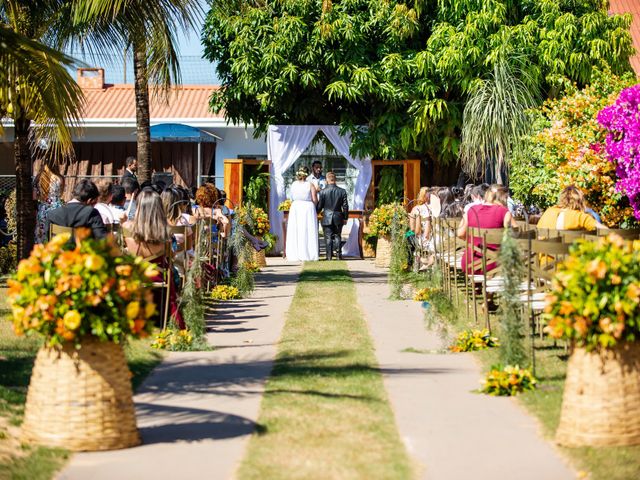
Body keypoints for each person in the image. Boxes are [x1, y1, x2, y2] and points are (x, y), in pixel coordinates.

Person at [122, 189, 185, 329]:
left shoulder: (126, 227)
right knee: (172, 272)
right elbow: (171, 256)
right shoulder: (165, 231)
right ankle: (168, 320)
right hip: (159, 276)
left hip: (136, 276)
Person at [457, 185, 516, 273]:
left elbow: (460, 234)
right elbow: (517, 236)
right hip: (493, 265)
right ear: (504, 197)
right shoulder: (504, 212)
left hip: (469, 264)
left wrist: (475, 242)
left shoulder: (471, 210)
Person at [537, 185, 607, 231]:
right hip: (571, 253)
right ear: (580, 201)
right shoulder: (580, 217)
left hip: (545, 252)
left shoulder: (549, 211)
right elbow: (605, 231)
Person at [286, 166, 319, 261]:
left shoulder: (293, 184)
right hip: (307, 208)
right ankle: (308, 254)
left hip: (296, 207)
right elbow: (314, 199)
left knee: (296, 229)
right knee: (307, 229)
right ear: (307, 174)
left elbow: (291, 198)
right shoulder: (310, 185)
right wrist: (314, 206)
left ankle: (295, 253)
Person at [316, 171, 348, 260]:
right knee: (338, 236)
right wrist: (345, 217)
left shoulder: (323, 192)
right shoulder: (342, 191)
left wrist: (315, 212)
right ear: (335, 179)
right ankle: (338, 256)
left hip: (326, 216)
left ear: (327, 180)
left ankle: (329, 256)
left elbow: (320, 206)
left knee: (328, 237)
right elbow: (345, 206)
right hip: (338, 216)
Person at [34, 160, 64, 244]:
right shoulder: (59, 178)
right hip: (57, 208)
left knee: (41, 234)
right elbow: (60, 194)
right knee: (56, 235)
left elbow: (34, 196)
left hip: (43, 208)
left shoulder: (39, 178)